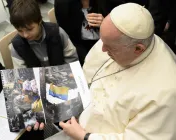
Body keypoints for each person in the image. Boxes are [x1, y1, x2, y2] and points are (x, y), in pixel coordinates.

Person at [46, 3, 176, 140]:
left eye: (110, 48)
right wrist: (48, 107)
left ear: (138, 49)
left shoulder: (165, 93)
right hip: (75, 119)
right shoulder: (116, 39)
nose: (102, 50)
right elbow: (87, 77)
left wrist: (85, 137)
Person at [9, 0, 78, 69]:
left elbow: (72, 58)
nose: (25, 35)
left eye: (30, 29)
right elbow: (21, 72)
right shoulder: (16, 46)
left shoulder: (58, 33)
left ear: (39, 20)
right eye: (20, 31)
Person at [54, 0, 104, 65]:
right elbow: (65, 32)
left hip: (104, 39)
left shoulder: (107, 2)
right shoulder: (62, 3)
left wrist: (106, 22)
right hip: (77, 42)